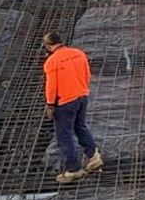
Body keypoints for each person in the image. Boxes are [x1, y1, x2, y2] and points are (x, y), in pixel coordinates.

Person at [42, 31, 102, 183]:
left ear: (49, 45)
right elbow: (87, 75)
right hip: (82, 97)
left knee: (64, 135)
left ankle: (73, 169)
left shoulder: (52, 61)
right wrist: (82, 89)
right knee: (80, 126)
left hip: (65, 102)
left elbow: (51, 86)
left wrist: (50, 105)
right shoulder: (79, 53)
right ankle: (94, 157)